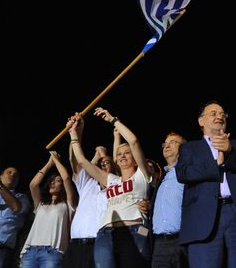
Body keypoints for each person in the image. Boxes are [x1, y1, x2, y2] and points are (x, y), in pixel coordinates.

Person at [175, 100, 236, 267]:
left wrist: (230, 152)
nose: (219, 117)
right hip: (203, 220)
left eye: (222, 114)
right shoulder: (189, 148)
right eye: (213, 113)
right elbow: (183, 173)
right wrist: (215, 165)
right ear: (201, 121)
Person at [67, 108, 151, 268]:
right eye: (119, 154)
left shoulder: (142, 175)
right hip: (106, 234)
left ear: (136, 159)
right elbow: (83, 162)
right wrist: (73, 134)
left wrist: (113, 120)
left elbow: (133, 141)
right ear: (116, 161)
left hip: (134, 230)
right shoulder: (111, 179)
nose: (123, 156)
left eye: (127, 153)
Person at [62, 117, 115, 268]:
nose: (102, 165)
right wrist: (77, 131)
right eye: (100, 163)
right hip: (74, 247)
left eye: (107, 163)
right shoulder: (87, 184)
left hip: (98, 247)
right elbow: (75, 161)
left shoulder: (116, 188)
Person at [20, 151, 77, 268]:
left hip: (52, 252)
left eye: (57, 181)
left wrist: (56, 160)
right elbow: (33, 185)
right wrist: (49, 163)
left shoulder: (67, 205)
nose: (53, 183)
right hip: (30, 251)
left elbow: (66, 178)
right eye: (51, 181)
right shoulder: (41, 204)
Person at [150, 132, 188, 268]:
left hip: (182, 241)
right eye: (165, 143)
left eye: (173, 142)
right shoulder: (162, 178)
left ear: (183, 148)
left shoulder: (188, 172)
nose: (166, 145)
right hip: (159, 244)